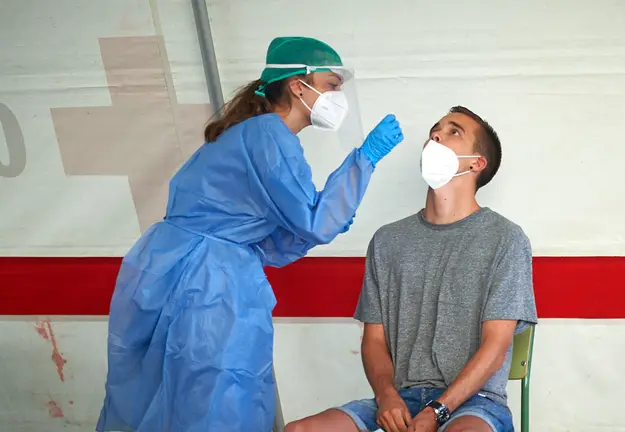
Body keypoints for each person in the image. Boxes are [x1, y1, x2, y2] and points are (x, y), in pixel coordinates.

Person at [96, 36, 404, 432]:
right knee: (217, 399)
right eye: (331, 84)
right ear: (298, 84)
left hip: (170, 271)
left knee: (159, 398)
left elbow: (279, 238)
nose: (337, 95)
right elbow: (313, 223)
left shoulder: (249, 136)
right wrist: (366, 158)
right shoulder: (268, 135)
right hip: (207, 285)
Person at [285, 106, 538, 432]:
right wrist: (387, 397)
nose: (436, 135)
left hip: (474, 405)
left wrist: (438, 411)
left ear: (476, 163)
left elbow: (496, 344)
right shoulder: (387, 241)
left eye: (453, 131)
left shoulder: (505, 239)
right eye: (436, 129)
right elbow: (374, 341)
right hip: (399, 400)